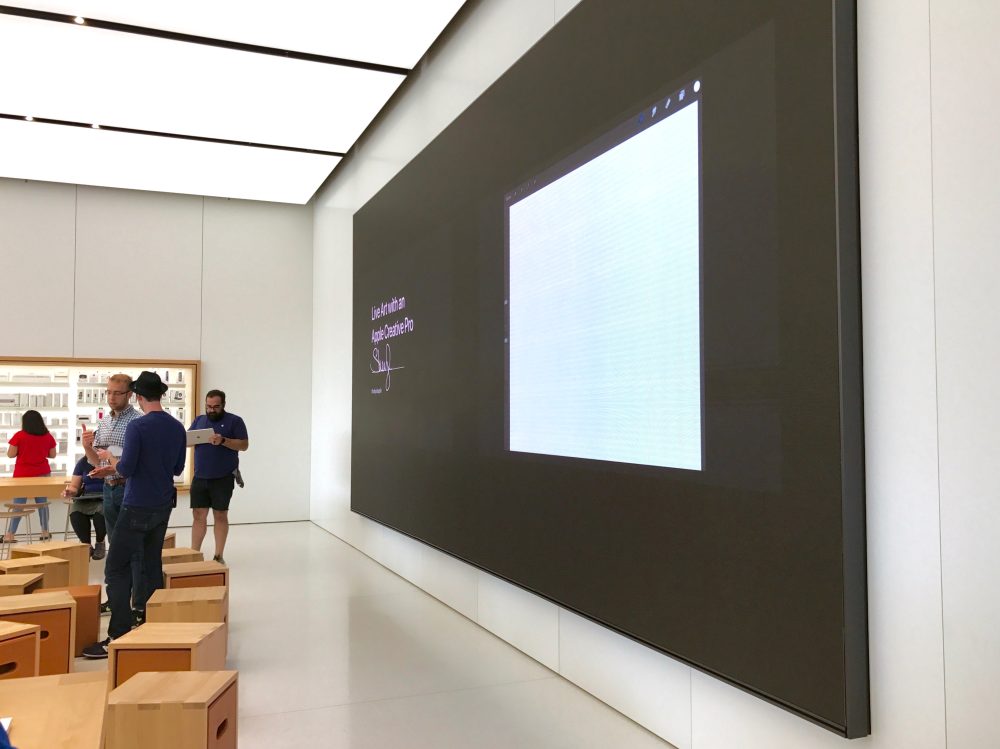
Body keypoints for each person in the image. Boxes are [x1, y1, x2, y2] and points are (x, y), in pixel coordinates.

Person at [82, 371, 185, 659]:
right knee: (151, 562)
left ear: (137, 397)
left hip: (137, 502)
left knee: (116, 567)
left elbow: (125, 468)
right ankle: (149, 620)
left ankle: (118, 632)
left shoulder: (137, 426)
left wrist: (112, 460)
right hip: (162, 503)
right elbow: (177, 469)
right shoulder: (177, 427)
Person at [83, 373, 142, 613]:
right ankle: (117, 599)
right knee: (115, 548)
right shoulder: (105, 422)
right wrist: (87, 447)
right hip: (109, 489)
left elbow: (135, 463)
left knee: (133, 548)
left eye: (117, 393)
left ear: (130, 395)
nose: (111, 397)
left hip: (128, 489)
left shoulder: (137, 422)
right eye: (108, 392)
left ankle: (137, 603)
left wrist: (113, 465)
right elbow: (96, 460)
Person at [188, 389, 248, 565]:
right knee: (198, 515)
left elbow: (244, 445)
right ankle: (194, 554)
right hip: (200, 476)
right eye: (208, 406)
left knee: (220, 515)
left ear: (223, 405)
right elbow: (188, 440)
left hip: (223, 477)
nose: (211, 410)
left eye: (215, 407)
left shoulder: (235, 421)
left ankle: (218, 555)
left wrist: (223, 441)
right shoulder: (199, 420)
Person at [3, 409, 55, 543]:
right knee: (42, 503)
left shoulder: (19, 436)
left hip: (23, 475)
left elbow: (10, 454)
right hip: (42, 473)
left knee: (18, 505)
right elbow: (52, 454)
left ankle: (10, 534)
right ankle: (45, 531)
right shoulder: (47, 436)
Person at [62, 456, 108, 559]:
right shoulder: (82, 462)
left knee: (101, 511)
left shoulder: (108, 460)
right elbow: (74, 486)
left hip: (104, 497)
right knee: (75, 511)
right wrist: (70, 491)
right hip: (86, 497)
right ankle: (86, 545)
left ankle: (100, 542)